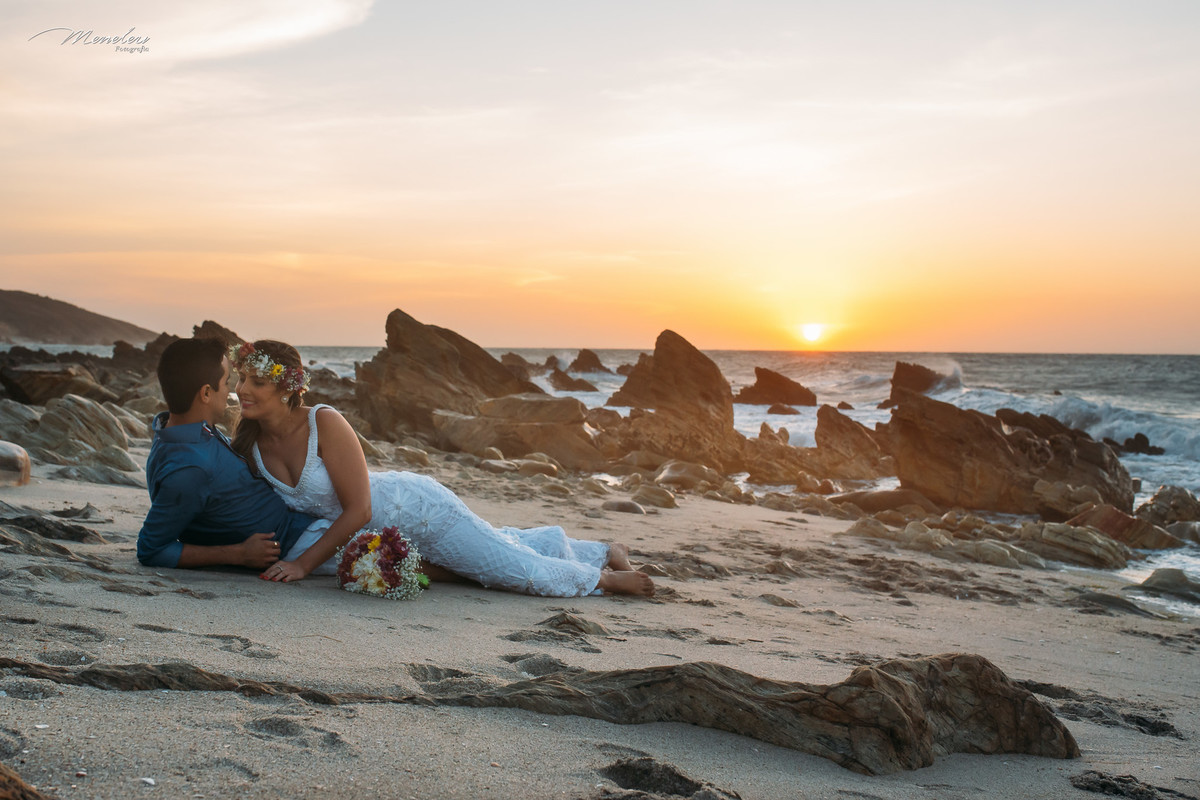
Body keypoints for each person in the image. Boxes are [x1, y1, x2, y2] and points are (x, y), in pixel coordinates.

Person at [228, 339, 655, 598]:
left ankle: (605, 579)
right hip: (363, 536)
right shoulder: (248, 439)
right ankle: (600, 550)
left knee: (509, 571)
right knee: (494, 548)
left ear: (288, 388)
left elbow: (357, 508)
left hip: (416, 510)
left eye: (256, 382)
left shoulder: (324, 421)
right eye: (240, 379)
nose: (243, 390)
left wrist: (302, 566)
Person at [137, 338, 330, 571]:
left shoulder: (175, 428)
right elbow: (151, 549)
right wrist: (238, 554)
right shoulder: (190, 468)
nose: (233, 390)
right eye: (227, 381)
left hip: (303, 525)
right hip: (294, 544)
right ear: (206, 393)